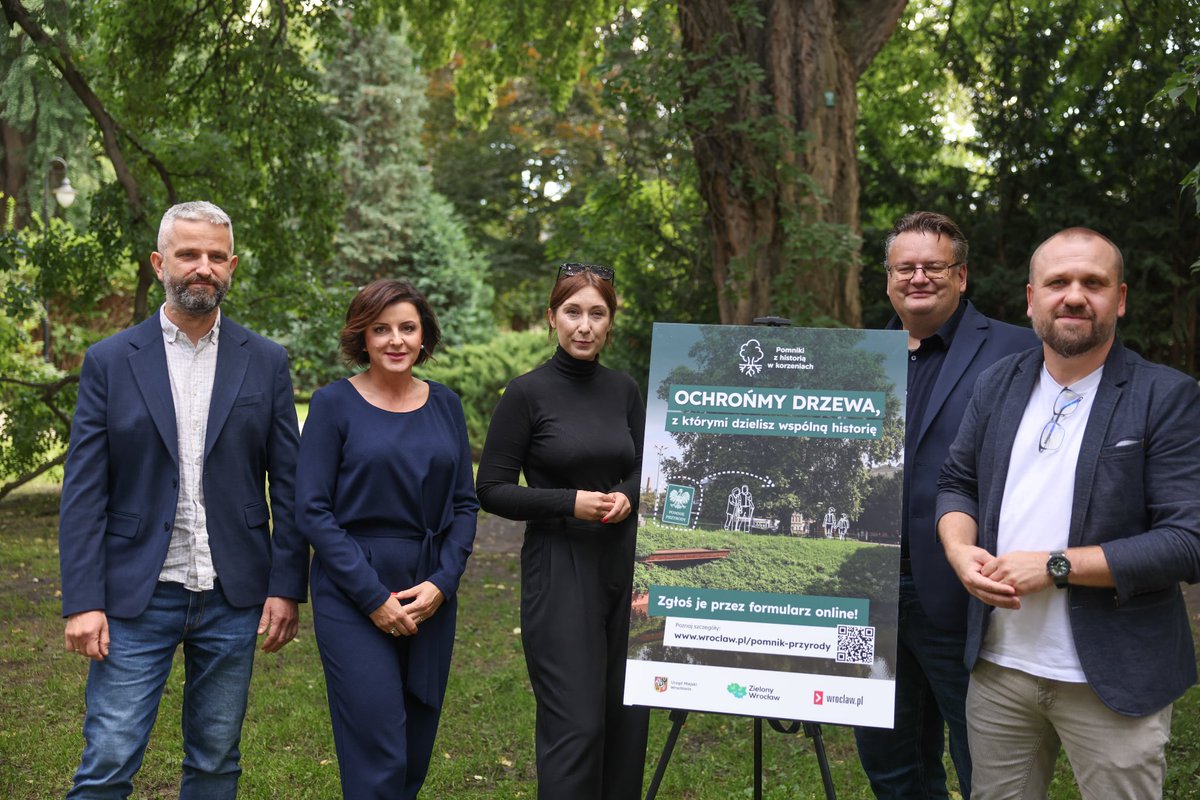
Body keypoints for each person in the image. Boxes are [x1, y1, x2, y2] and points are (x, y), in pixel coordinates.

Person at [936, 227, 1200, 798]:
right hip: (1000, 667)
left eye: (1093, 283)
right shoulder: (997, 385)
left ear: (1120, 299)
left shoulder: (1167, 396)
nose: (1074, 296)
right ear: (1032, 298)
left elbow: (1186, 540)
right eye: (1057, 282)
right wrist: (959, 550)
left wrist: (1055, 566)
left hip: (1112, 676)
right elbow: (957, 482)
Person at [58, 200, 307, 798]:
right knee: (109, 759)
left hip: (234, 593)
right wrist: (83, 600)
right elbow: (85, 491)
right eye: (188, 254)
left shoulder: (266, 361)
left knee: (217, 760)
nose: (203, 267)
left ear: (232, 266)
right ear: (158, 262)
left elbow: (293, 487)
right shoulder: (111, 361)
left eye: (216, 257)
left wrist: (285, 586)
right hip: (134, 594)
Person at [853, 211, 1036, 800]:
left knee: (984, 760)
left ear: (962, 276)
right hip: (868, 591)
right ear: (887, 280)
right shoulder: (858, 357)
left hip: (965, 587)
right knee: (889, 759)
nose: (919, 277)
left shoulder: (1018, 349)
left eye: (935, 266)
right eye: (905, 267)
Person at [296, 279, 478, 799]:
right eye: (381, 329)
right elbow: (312, 509)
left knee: (416, 744)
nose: (395, 340)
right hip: (353, 587)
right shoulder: (333, 404)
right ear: (363, 337)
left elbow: (464, 503)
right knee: (377, 748)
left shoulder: (446, 405)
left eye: (407, 328)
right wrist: (372, 597)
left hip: (430, 588)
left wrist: (443, 582)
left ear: (424, 337)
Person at [476, 263, 649, 799]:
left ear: (611, 324)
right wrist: (569, 502)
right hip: (559, 566)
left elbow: (651, 466)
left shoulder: (623, 390)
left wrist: (628, 494)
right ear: (552, 318)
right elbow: (492, 488)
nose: (585, 326)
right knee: (578, 726)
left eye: (598, 314)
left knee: (626, 722)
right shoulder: (527, 394)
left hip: (625, 566)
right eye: (573, 312)